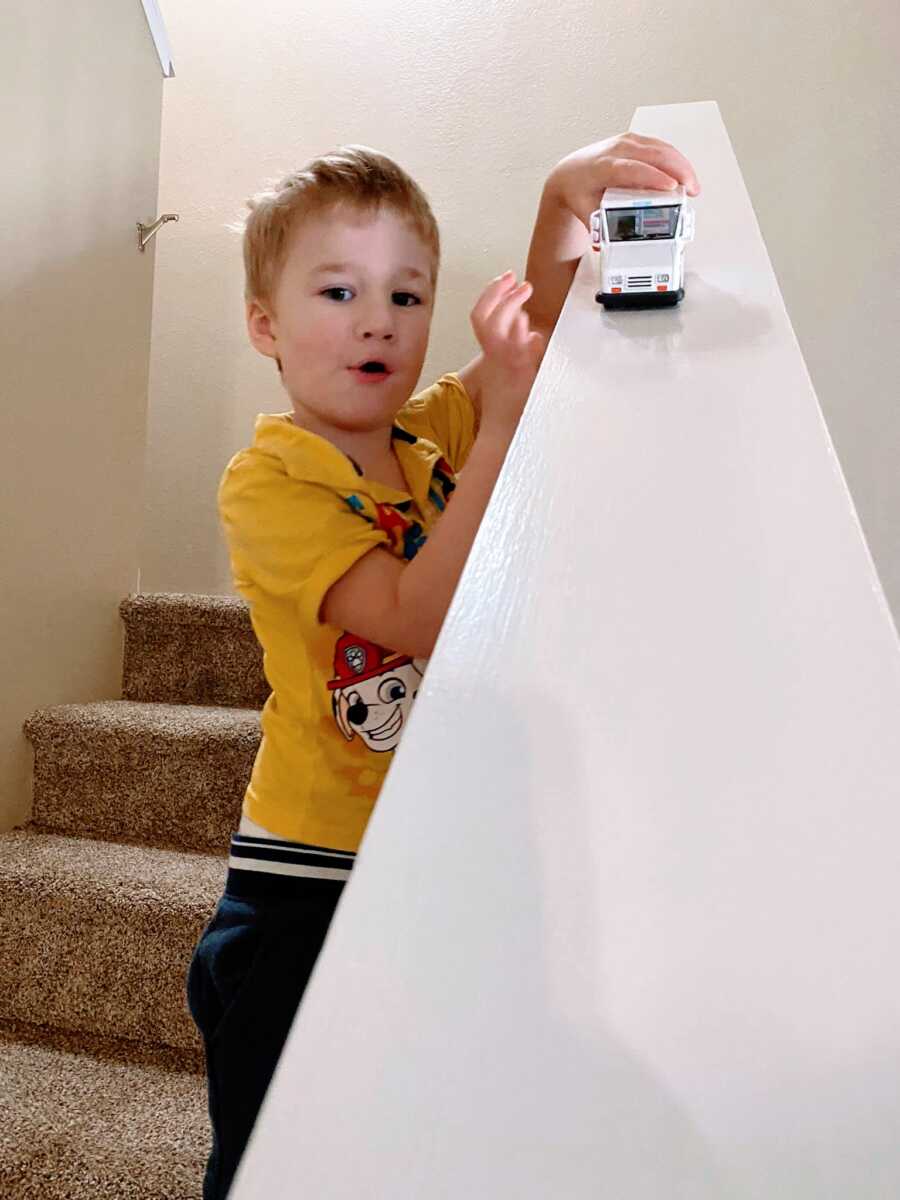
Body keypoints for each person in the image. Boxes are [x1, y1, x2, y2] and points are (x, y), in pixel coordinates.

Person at [187, 132, 699, 1200]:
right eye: (340, 290)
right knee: (277, 1148)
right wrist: (505, 423)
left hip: (421, 847)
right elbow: (415, 616)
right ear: (266, 326)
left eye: (407, 296)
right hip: (308, 875)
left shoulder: (424, 442)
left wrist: (563, 197)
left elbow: (541, 330)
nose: (380, 319)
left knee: (396, 1126)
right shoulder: (270, 481)